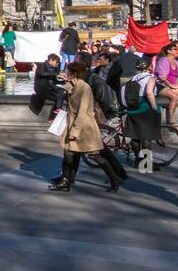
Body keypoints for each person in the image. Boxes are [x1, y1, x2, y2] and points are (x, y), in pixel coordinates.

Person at [49, 61, 126, 192]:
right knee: (68, 153)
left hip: (84, 128)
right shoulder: (75, 85)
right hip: (74, 124)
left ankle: (114, 179)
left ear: (74, 73)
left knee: (95, 155)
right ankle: (65, 181)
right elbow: (69, 93)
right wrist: (66, 81)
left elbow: (83, 112)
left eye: (68, 72)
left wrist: (75, 132)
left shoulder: (84, 88)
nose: (66, 73)